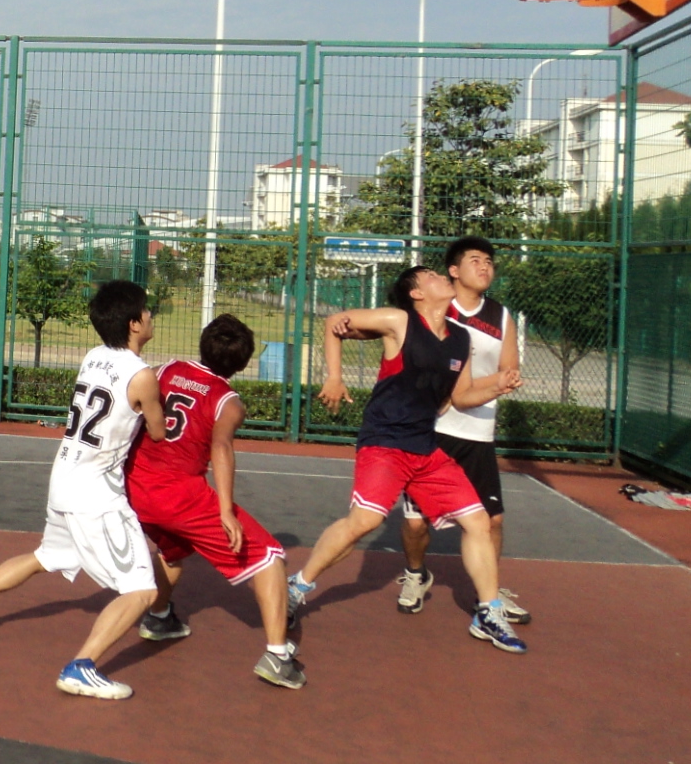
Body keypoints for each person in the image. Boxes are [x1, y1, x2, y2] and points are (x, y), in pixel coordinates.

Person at [0, 281, 164, 700]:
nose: (152, 316)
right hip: (97, 494)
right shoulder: (143, 376)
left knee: (45, 556)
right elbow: (157, 431)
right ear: (134, 324)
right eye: (147, 311)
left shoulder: (94, 356)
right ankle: (82, 667)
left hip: (64, 476)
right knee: (142, 591)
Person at [287, 265, 528, 653]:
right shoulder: (399, 321)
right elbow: (334, 322)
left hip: (425, 448)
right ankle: (296, 587)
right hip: (385, 442)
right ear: (417, 293)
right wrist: (333, 377)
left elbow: (461, 396)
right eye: (431, 276)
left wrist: (496, 386)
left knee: (479, 521)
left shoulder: (460, 338)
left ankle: (488, 612)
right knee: (366, 520)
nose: (441, 277)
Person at [126, 313, 304, 689]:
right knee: (271, 558)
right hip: (179, 496)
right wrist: (225, 510)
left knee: (173, 550)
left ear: (203, 342)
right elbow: (221, 447)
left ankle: (159, 616)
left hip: (137, 487)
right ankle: (278, 657)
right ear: (243, 362)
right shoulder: (228, 401)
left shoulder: (167, 369)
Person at [394, 237, 528, 623]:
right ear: (453, 270)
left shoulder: (501, 316)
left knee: (493, 520)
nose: (485, 267)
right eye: (475, 260)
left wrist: (502, 380)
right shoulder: (435, 304)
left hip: (478, 432)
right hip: (431, 431)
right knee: (416, 522)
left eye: (489, 261)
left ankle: (489, 593)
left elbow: (508, 368)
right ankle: (416, 575)